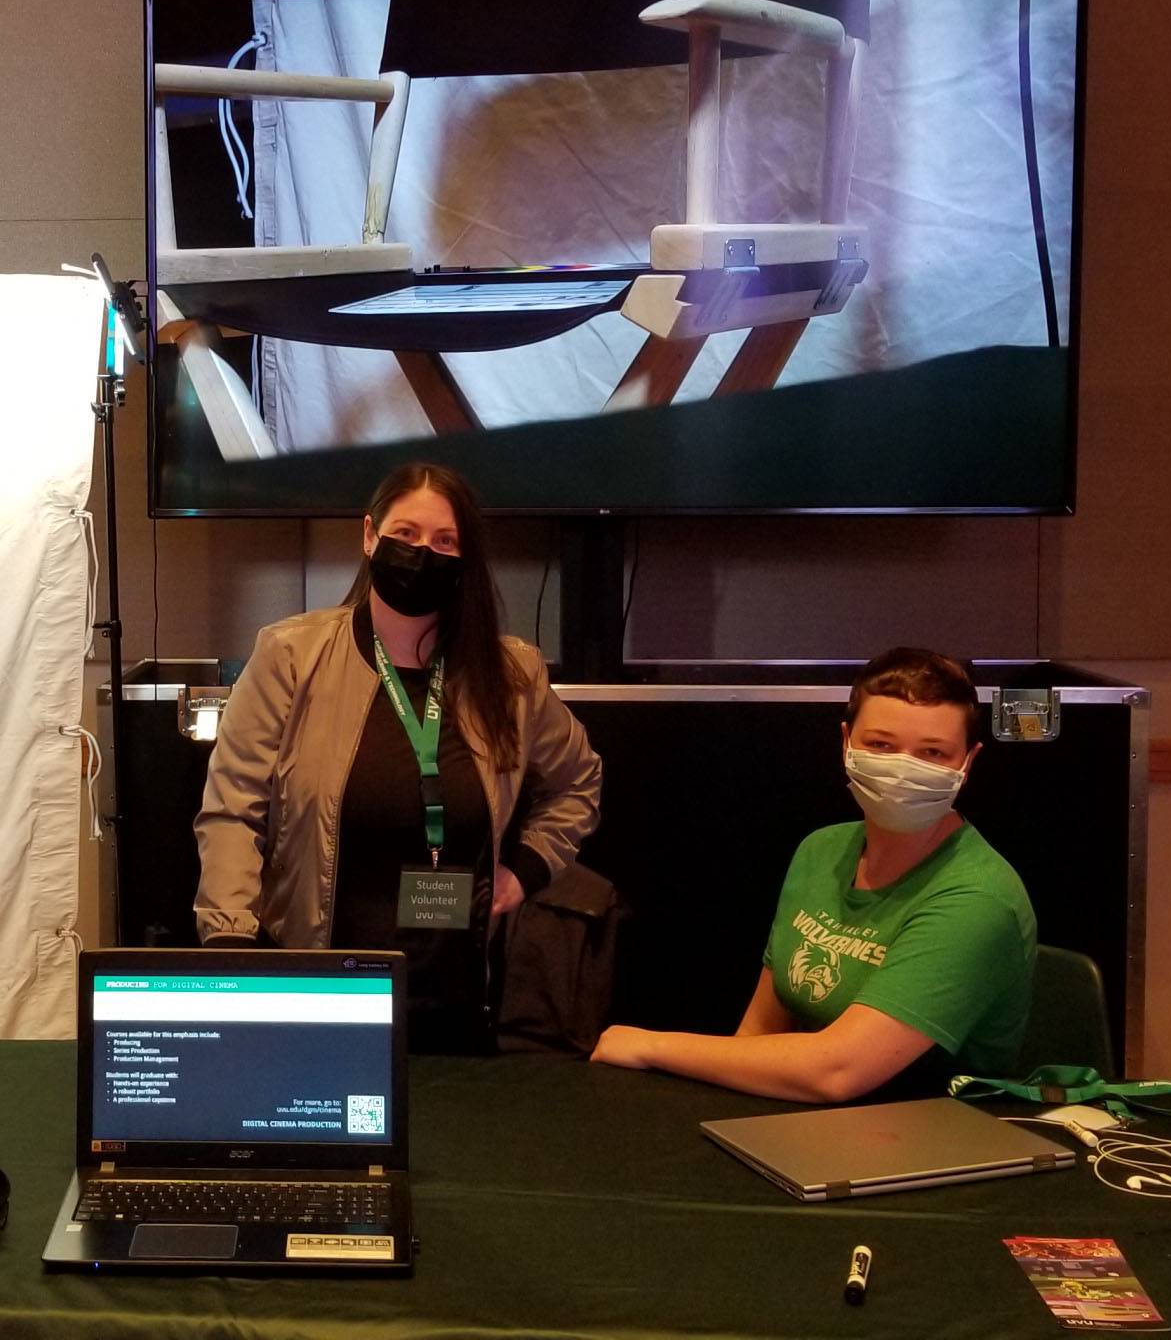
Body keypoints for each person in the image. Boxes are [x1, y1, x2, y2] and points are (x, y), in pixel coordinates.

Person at [194, 463, 602, 1050]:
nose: (421, 554)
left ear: (466, 559)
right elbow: (232, 812)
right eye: (405, 535)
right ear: (369, 536)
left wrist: (524, 871)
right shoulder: (291, 655)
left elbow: (579, 782)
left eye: (444, 542)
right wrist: (229, 945)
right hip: (318, 1001)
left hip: (456, 1006)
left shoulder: (511, 675)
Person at [591, 648, 1036, 1101]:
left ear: (967, 763)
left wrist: (650, 1045)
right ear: (846, 742)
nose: (904, 768)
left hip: (933, 1141)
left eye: (933, 753)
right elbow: (758, 1033)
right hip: (811, 1127)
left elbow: (838, 1071)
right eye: (881, 745)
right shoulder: (821, 851)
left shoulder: (978, 897)